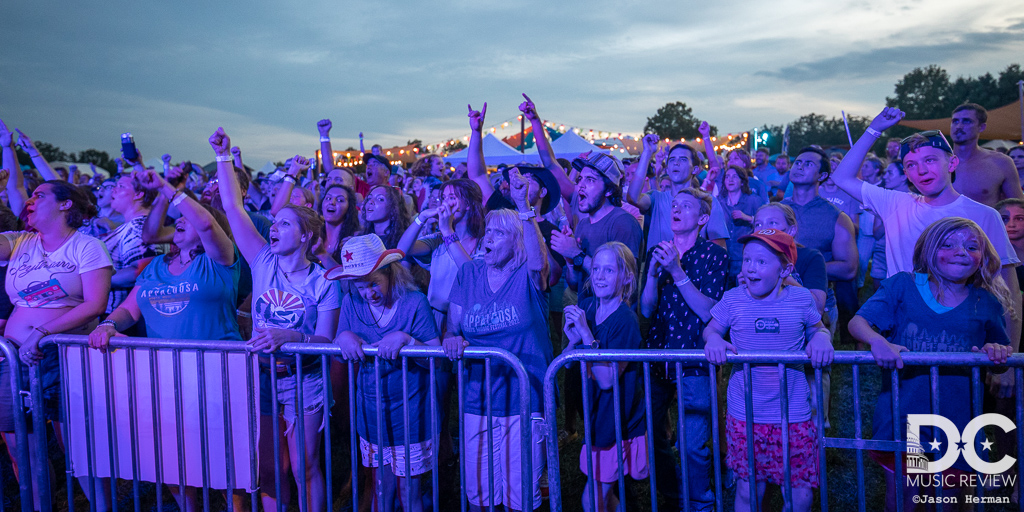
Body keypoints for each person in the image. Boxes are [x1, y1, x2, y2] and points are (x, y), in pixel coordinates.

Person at [830, 106, 1022, 397]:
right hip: (904, 328)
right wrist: (875, 128)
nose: (921, 170)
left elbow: (1007, 287)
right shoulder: (896, 204)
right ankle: (910, 443)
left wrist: (1010, 360)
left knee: (957, 413)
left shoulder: (983, 216)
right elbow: (842, 177)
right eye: (910, 164)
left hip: (961, 330)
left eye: (931, 160)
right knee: (905, 412)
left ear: (952, 162)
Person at [88, 168, 239, 512]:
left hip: (215, 374)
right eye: (178, 221)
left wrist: (171, 189)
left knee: (225, 457)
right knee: (172, 453)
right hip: (163, 376)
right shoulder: (155, 266)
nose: (180, 222)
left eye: (186, 219)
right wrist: (110, 324)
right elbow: (130, 309)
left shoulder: (220, 260)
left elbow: (203, 224)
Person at [209, 127, 340, 512]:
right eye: (275, 223)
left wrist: (290, 335)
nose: (274, 229)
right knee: (270, 467)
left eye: (283, 224)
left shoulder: (324, 282)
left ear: (304, 236)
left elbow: (326, 340)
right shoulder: (262, 260)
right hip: (262, 378)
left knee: (304, 466)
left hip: (305, 382)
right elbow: (233, 207)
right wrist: (223, 157)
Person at [848, 217, 1014, 512]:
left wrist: (996, 351)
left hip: (959, 425)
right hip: (905, 419)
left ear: (983, 257)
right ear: (927, 251)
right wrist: (878, 341)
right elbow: (858, 322)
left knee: (951, 503)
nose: (960, 251)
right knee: (905, 500)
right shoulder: (903, 285)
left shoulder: (985, 302)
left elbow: (1000, 360)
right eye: (947, 245)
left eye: (971, 246)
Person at [0, 176, 113, 511]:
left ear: (65, 204)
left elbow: (94, 304)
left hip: (64, 357)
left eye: (40, 195)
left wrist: (43, 333)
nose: (30, 200)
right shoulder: (19, 241)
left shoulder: (86, 246)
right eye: (29, 196)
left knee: (77, 448)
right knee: (23, 447)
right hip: (14, 360)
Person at [443, 168, 551, 512]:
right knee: (479, 496)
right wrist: (451, 339)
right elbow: (453, 327)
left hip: (524, 398)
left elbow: (538, 261)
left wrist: (523, 205)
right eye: (488, 230)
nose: (489, 237)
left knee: (520, 497)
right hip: (478, 399)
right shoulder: (469, 273)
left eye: (501, 233)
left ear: (517, 240)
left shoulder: (528, 276)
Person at [704, 229, 833, 512]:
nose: (750, 268)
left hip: (794, 415)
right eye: (747, 260)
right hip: (745, 415)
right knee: (748, 491)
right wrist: (713, 339)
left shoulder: (801, 300)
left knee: (800, 494)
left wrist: (822, 338)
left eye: (761, 262)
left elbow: (818, 328)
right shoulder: (733, 299)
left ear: (785, 268)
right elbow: (711, 329)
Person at [331, 234, 441, 512]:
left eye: (373, 283)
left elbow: (436, 358)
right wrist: (342, 335)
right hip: (371, 414)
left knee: (409, 490)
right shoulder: (352, 303)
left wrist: (406, 339)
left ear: (390, 272)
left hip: (410, 414)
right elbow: (340, 340)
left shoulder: (414, 302)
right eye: (359, 285)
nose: (368, 292)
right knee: (381, 488)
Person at [640, 187, 727, 511]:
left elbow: (709, 311)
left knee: (692, 445)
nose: (676, 209)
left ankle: (700, 502)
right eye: (673, 205)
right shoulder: (658, 252)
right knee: (653, 436)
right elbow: (647, 310)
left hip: (694, 359)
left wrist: (676, 271)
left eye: (685, 206)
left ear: (702, 218)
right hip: (659, 359)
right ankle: (674, 496)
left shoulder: (714, 255)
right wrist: (651, 276)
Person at [563, 242, 648, 512]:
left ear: (626, 278)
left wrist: (587, 336)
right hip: (595, 417)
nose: (599, 276)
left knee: (592, 500)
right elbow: (566, 363)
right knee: (606, 498)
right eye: (596, 268)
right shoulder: (587, 307)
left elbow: (607, 379)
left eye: (609, 270)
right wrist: (572, 340)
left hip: (616, 422)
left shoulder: (625, 320)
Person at [398, 179, 485, 333]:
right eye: (443, 198)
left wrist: (447, 230)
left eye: (452, 197)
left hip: (470, 319)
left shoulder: (483, 242)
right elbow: (402, 251)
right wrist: (422, 217)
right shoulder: (438, 240)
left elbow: (470, 273)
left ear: (469, 204)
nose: (445, 203)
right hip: (435, 317)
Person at [552, 153, 642, 304]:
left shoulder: (623, 222)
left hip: (611, 323)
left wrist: (577, 254)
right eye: (580, 179)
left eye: (591, 180)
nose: (581, 185)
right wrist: (570, 260)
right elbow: (575, 285)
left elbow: (626, 285)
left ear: (609, 190)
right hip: (586, 318)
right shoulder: (583, 225)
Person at [628, 130, 731, 250]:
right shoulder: (657, 198)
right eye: (671, 159)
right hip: (656, 268)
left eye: (682, 159)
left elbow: (719, 249)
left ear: (695, 169)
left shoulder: (708, 201)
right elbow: (633, 197)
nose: (676, 163)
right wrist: (647, 152)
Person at [103, 170, 164, 319]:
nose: (114, 189)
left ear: (138, 194)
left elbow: (141, 270)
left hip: (121, 315)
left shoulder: (138, 225)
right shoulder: (136, 225)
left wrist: (92, 281)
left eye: (121, 186)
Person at [948, 103, 1023, 207]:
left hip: (983, 223)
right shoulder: (936, 162)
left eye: (967, 121)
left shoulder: (1000, 163)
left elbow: (1018, 208)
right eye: (955, 121)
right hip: (942, 223)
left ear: (981, 127)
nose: (959, 126)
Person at [720, 165, 765, 284]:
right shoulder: (719, 202)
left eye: (735, 177)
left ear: (742, 182)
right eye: (727, 177)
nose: (730, 179)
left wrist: (747, 218)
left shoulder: (753, 200)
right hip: (723, 258)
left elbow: (766, 226)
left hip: (744, 258)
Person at [360, 185, 411, 250]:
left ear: (393, 208)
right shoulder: (362, 238)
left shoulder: (403, 242)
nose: (370, 202)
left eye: (380, 199)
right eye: (369, 198)